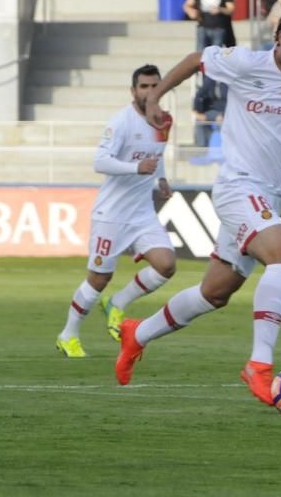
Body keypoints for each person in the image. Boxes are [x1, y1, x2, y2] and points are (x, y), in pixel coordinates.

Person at [116, 5, 281, 404]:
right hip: (238, 187)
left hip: (270, 195)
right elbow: (195, 60)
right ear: (279, 40)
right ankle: (259, 366)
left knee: (215, 293)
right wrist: (155, 97)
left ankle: (139, 333)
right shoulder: (244, 63)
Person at [56, 65, 176, 358]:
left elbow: (155, 156)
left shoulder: (163, 121)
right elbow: (100, 162)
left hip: (142, 213)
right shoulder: (120, 122)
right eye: (144, 86)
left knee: (166, 265)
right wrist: (137, 168)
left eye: (154, 86)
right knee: (98, 278)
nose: (149, 91)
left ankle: (117, 303)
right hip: (111, 215)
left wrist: (160, 179)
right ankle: (68, 334)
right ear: (133, 91)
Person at [193, 73, 228, 148]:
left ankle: (221, 150)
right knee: (199, 121)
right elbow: (199, 95)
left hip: (226, 112)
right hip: (212, 111)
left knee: (221, 123)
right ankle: (202, 148)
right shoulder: (210, 80)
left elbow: (232, 101)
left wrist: (223, 115)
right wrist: (198, 112)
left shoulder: (228, 82)